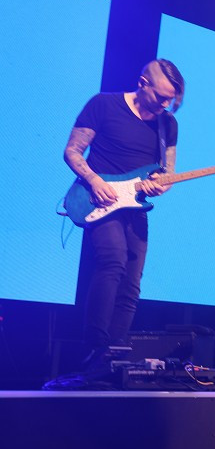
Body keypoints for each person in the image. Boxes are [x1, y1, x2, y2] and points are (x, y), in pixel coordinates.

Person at [63, 59, 184, 369]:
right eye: (160, 96)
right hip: (99, 200)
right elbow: (73, 151)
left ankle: (114, 354)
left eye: (170, 99)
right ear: (142, 83)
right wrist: (93, 180)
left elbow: (168, 172)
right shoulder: (103, 105)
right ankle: (95, 346)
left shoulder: (167, 125)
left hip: (135, 205)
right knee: (113, 261)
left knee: (132, 282)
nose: (165, 104)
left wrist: (161, 185)